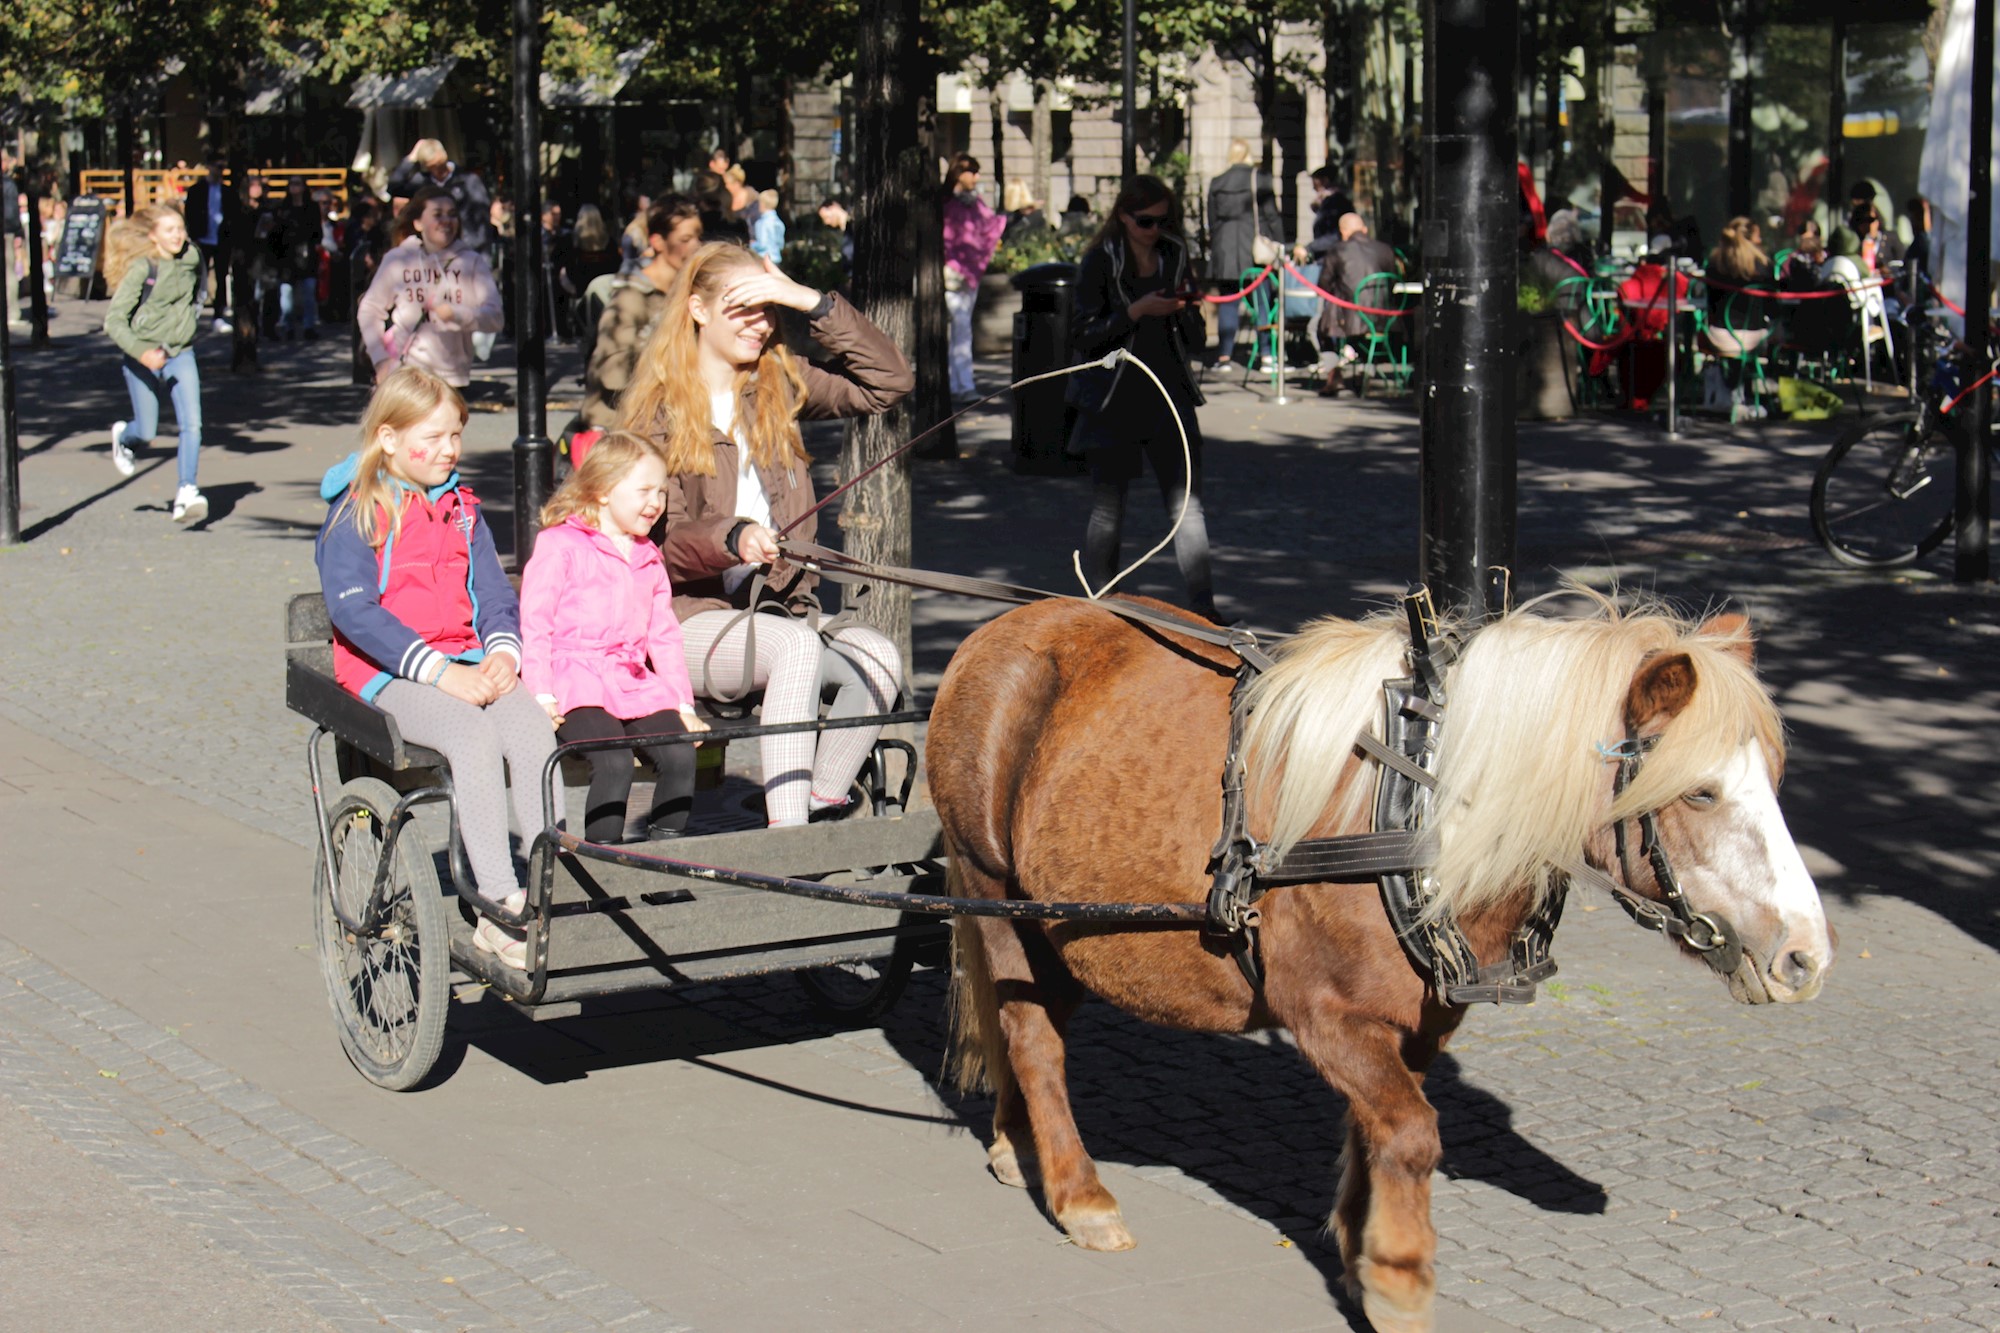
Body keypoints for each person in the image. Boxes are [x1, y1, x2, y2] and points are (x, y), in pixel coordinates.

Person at [617, 242, 914, 827]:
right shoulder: (656, 414)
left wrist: (808, 300)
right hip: (683, 618)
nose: (761, 323)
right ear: (698, 311)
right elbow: (653, 545)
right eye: (743, 308)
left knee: (878, 657)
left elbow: (890, 382)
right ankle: (788, 839)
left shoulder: (778, 383)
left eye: (767, 308)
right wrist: (731, 536)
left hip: (779, 609)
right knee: (797, 647)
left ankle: (818, 800)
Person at [315, 368, 556, 969]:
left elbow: (495, 593)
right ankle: (497, 905)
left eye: (457, 435)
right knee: (471, 737)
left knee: (531, 732)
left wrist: (503, 653)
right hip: (388, 673)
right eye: (436, 436)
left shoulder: (462, 508)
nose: (450, 449)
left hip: (467, 658)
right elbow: (357, 614)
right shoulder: (357, 513)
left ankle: (554, 874)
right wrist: (440, 674)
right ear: (389, 438)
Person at [520, 433, 709, 844]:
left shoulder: (647, 556)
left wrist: (681, 702)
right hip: (575, 679)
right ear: (603, 490)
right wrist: (541, 694)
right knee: (614, 762)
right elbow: (536, 624)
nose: (656, 502)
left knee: (680, 753)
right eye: (643, 490)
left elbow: (663, 636)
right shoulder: (560, 545)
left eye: (661, 491)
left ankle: (666, 862)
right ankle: (605, 867)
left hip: (631, 680)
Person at [1066, 175, 1216, 621]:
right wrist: (1134, 311)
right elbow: (1081, 335)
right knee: (1109, 508)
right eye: (1146, 221)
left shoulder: (1175, 254)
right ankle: (1102, 603)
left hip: (1169, 395)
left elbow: (1197, 339)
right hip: (1115, 399)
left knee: (1187, 505)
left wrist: (1187, 310)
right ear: (1124, 217)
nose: (1155, 230)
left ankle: (1205, 607)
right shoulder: (1100, 260)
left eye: (1163, 220)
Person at [103, 203, 209, 523]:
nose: (178, 235)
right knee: (147, 431)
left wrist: (189, 323)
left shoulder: (193, 257)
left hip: (180, 351)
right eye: (169, 230)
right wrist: (141, 351)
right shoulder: (143, 269)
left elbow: (201, 291)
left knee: (192, 424)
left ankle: (187, 490)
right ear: (153, 236)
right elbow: (114, 321)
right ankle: (125, 438)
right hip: (143, 354)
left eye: (180, 228)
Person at [356, 186, 504, 387]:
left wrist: (457, 314)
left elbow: (495, 318)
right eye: (437, 214)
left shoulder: (472, 262)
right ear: (418, 223)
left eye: (452, 215)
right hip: (405, 372)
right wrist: (380, 359)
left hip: (452, 377)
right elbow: (369, 309)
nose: (446, 220)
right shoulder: (398, 259)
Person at [582, 197, 702, 430]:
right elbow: (613, 374)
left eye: (699, 236)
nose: (696, 246)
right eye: (685, 239)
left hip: (672, 421)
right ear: (657, 241)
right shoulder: (631, 298)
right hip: (622, 429)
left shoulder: (689, 291)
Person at [1304, 212, 1400, 396]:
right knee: (1365, 336)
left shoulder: (1338, 250)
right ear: (1364, 230)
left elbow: (1323, 286)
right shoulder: (1385, 249)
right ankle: (1366, 371)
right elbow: (1394, 283)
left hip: (1348, 318)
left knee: (1315, 326)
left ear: (1343, 232)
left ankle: (1334, 373)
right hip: (1383, 318)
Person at [1207, 139, 1282, 369]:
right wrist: (1280, 243)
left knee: (1228, 304)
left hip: (1225, 249)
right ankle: (1267, 355)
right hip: (1253, 249)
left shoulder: (1217, 182)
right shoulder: (1259, 178)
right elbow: (1271, 216)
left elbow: (1211, 219)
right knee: (1262, 302)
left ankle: (1224, 357)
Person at [941, 154, 1005, 404]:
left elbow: (989, 228)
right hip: (953, 275)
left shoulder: (975, 203)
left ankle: (960, 383)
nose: (976, 177)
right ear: (960, 173)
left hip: (967, 275)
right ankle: (960, 383)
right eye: (973, 172)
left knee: (961, 328)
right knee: (959, 328)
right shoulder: (947, 203)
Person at [387, 139, 491, 254]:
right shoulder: (422, 182)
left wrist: (482, 252)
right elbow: (394, 188)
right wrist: (411, 158)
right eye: (432, 167)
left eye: (440, 164)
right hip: (432, 250)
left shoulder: (468, 180)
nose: (437, 170)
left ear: (445, 158)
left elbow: (483, 218)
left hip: (465, 247)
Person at [185, 159, 236, 327]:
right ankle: (193, 310)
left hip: (222, 240)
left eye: (222, 167)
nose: (219, 170)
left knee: (222, 276)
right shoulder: (196, 190)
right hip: (202, 239)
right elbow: (190, 214)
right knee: (199, 276)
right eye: (217, 167)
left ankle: (218, 314)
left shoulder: (228, 191)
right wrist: (194, 237)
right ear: (209, 167)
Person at [274, 178, 323, 340]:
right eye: (292, 184)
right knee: (286, 294)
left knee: (309, 293)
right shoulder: (282, 208)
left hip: (307, 255)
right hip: (287, 256)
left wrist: (314, 246)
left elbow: (317, 232)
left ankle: (308, 326)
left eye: (298, 184)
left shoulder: (312, 207)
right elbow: (277, 234)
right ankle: (289, 327)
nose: (295, 187)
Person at [750, 189, 786, 264]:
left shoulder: (762, 223)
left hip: (764, 259)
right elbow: (781, 244)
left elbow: (763, 244)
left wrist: (753, 244)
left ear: (762, 204)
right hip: (776, 258)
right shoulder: (778, 222)